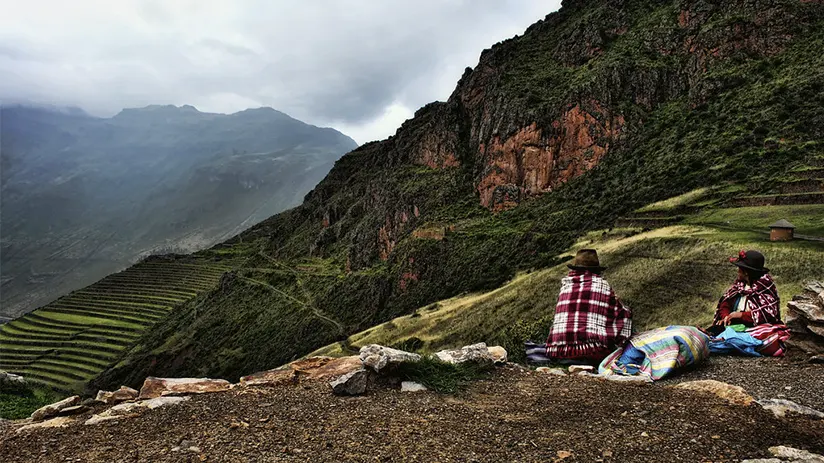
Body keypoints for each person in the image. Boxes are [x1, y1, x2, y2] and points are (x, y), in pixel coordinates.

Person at [546, 249, 633, 364]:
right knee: (625, 314)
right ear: (596, 270)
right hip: (591, 351)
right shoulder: (602, 285)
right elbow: (620, 313)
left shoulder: (566, 285)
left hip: (558, 352)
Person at [712, 250, 781, 328]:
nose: (737, 271)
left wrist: (741, 315)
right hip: (734, 325)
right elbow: (725, 303)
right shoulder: (739, 285)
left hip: (756, 328)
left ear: (746, 272)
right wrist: (726, 316)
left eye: (740, 268)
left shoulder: (764, 287)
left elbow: (767, 314)